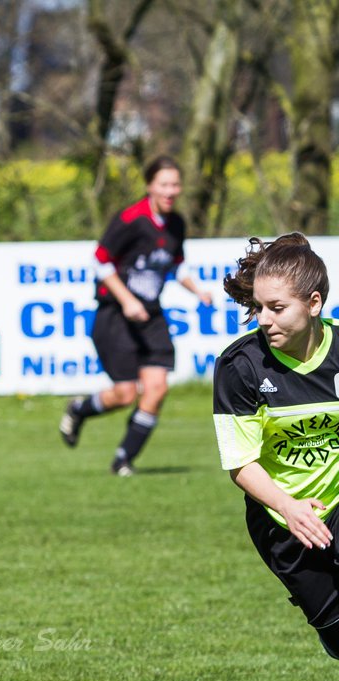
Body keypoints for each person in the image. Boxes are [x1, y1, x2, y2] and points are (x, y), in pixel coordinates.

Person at [213, 233, 339, 659]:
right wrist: (290, 508)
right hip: (282, 523)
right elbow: (240, 463)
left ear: (314, 303)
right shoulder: (240, 367)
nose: (263, 320)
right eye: (259, 308)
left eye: (277, 308)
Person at [60, 155, 213, 475]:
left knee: (157, 388)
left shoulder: (176, 223)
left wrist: (197, 290)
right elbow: (100, 261)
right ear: (150, 186)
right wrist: (127, 299)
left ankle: (123, 459)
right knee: (125, 393)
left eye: (175, 184)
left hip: (151, 315)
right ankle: (79, 409)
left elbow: (176, 264)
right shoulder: (130, 219)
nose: (171, 191)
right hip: (115, 314)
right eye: (164, 184)